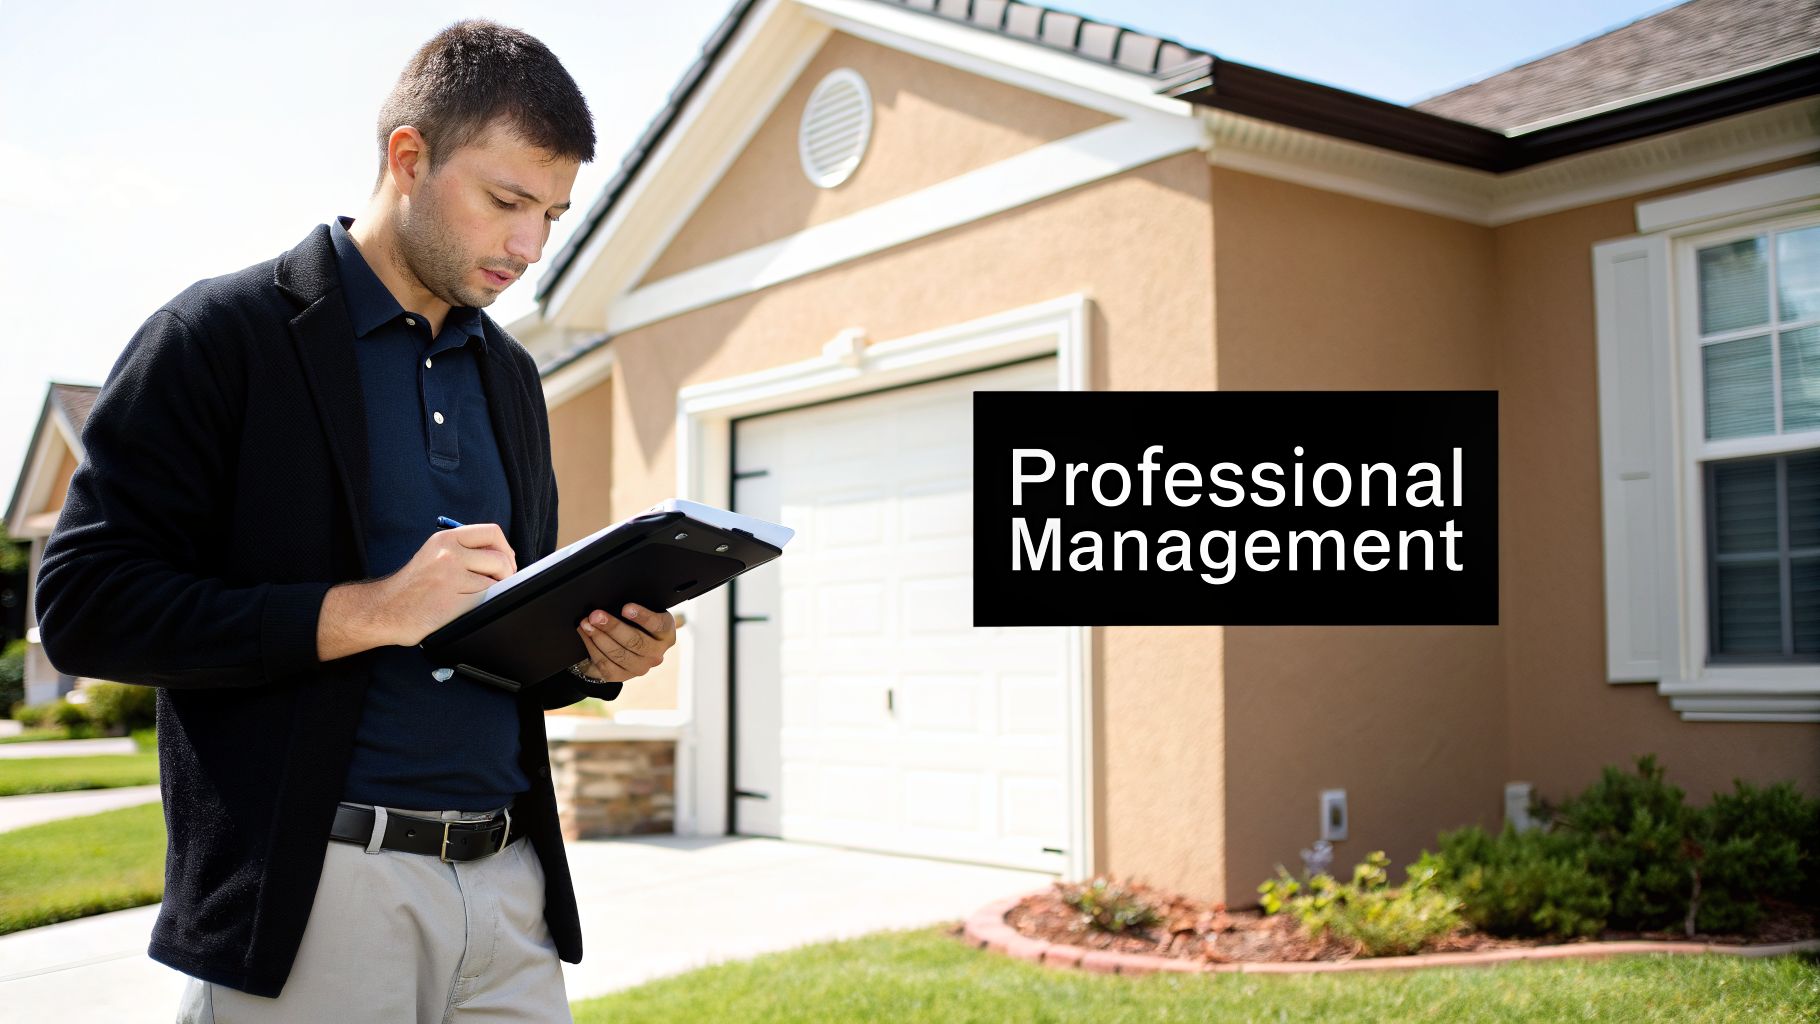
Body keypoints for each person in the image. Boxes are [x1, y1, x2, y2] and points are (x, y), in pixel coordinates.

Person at [34, 18, 675, 1023]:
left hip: (511, 898)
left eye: (551, 214)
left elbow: (501, 642)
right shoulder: (217, 338)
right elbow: (84, 606)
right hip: (321, 896)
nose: (528, 245)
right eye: (507, 201)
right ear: (407, 157)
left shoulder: (509, 376)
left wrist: (590, 655)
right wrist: (369, 611)